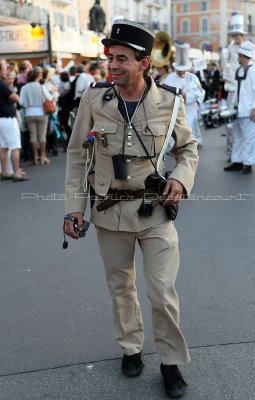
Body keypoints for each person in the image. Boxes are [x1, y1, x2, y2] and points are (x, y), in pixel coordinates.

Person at [64, 20, 198, 399]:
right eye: (110, 58)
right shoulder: (94, 99)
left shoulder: (171, 102)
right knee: (121, 287)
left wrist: (182, 180)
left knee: (161, 290)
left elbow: (188, 150)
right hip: (108, 211)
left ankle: (170, 362)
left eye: (122, 59)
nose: (113, 66)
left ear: (144, 63)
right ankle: (131, 349)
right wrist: (73, 210)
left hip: (155, 210)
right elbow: (77, 156)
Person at [224, 41, 255, 174]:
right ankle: (237, 161)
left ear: (245, 56)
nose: (238, 58)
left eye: (240, 55)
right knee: (238, 137)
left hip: (250, 112)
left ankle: (248, 164)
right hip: (238, 111)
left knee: (250, 139)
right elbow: (236, 91)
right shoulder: (239, 70)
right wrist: (232, 108)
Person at [164, 42, 205, 148]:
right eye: (179, 70)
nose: (182, 73)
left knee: (189, 130)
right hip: (174, 111)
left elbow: (199, 93)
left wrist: (185, 95)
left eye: (184, 70)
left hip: (189, 109)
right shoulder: (169, 78)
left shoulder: (192, 77)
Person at [0, 62, 29, 182]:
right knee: (15, 146)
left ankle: (5, 171)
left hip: (1, 119)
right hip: (7, 119)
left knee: (4, 147)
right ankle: (16, 173)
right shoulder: (1, 85)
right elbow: (15, 98)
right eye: (4, 69)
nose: (6, 71)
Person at [19, 67, 52, 165]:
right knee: (42, 135)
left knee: (33, 136)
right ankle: (43, 156)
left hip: (29, 113)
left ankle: (35, 157)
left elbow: (21, 102)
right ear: (37, 76)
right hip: (41, 112)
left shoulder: (24, 87)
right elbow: (49, 98)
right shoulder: (41, 86)